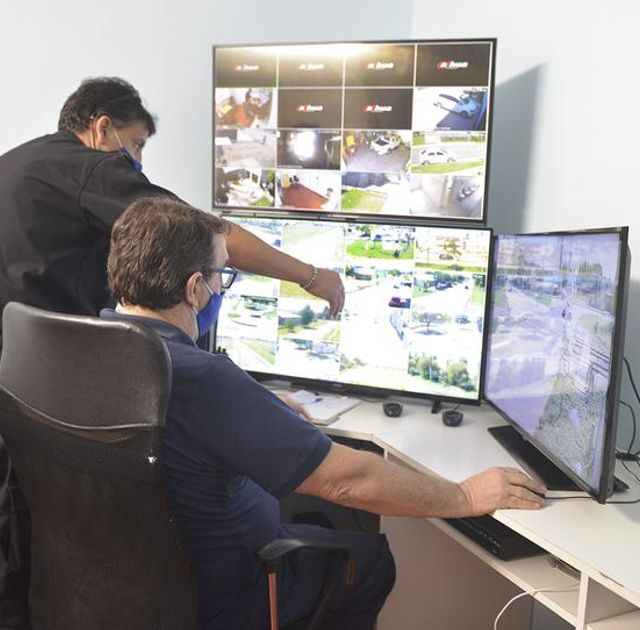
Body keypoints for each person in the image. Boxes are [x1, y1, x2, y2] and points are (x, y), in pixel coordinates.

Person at [102, 197, 546, 629]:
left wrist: (254, 405)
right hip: (230, 595)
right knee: (369, 561)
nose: (222, 289)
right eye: (223, 276)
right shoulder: (203, 379)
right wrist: (464, 497)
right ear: (194, 287)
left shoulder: (89, 348)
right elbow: (348, 481)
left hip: (122, 592)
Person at [0, 76, 344, 627]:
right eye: (135, 146)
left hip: (27, 386)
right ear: (102, 128)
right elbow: (211, 233)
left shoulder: (17, 165)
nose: (136, 165)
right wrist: (310, 276)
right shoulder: (89, 168)